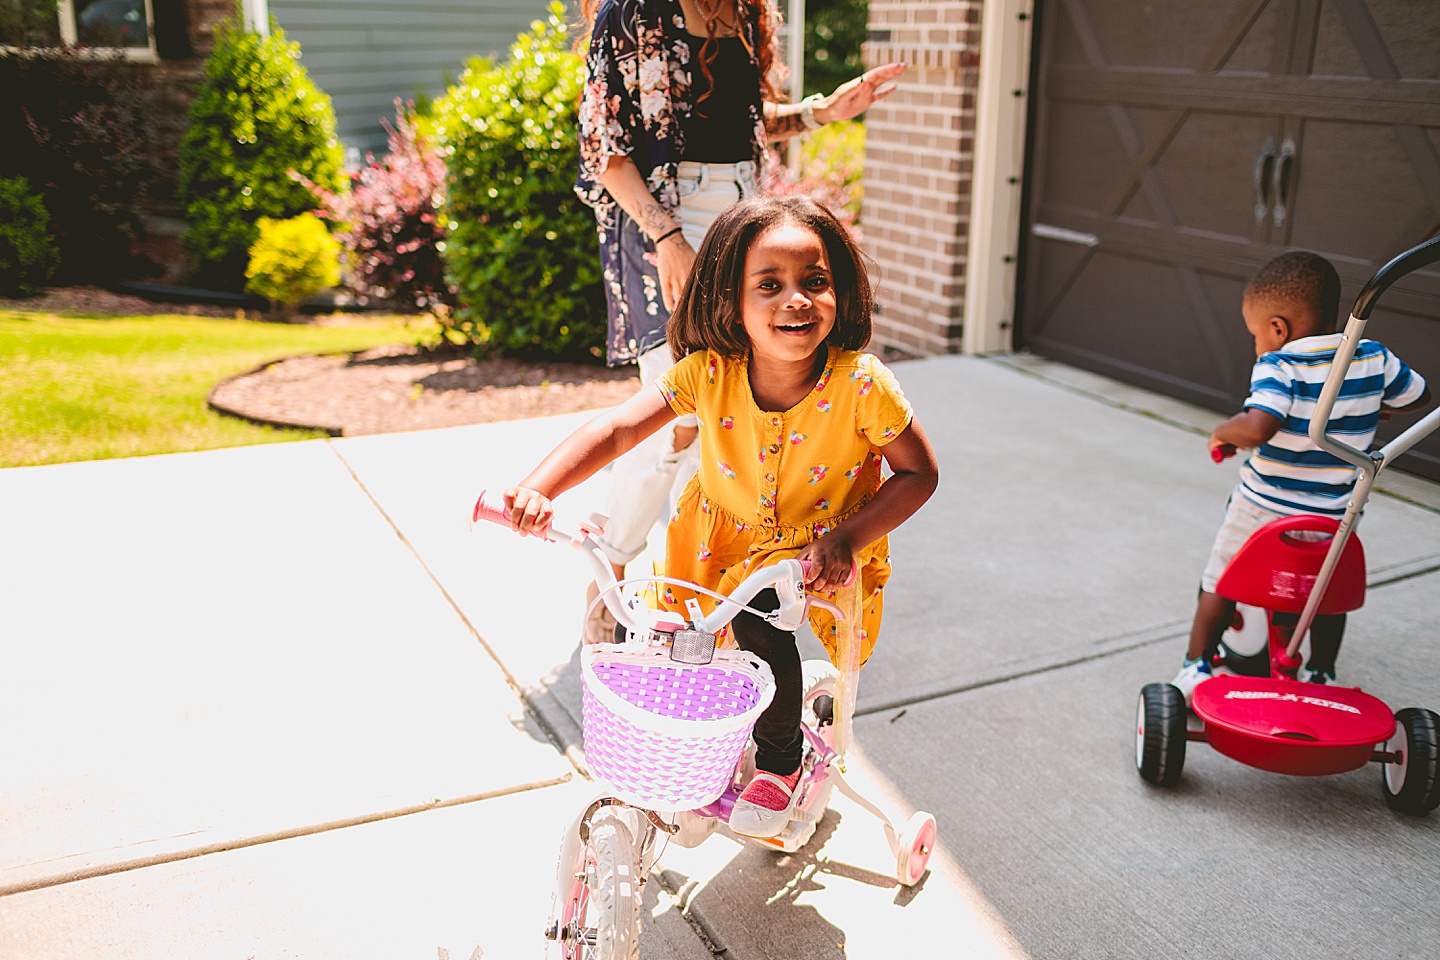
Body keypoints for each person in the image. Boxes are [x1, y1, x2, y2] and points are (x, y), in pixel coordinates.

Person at [500, 195, 939, 837]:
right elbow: (621, 429)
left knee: (763, 638)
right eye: (770, 285)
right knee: (674, 642)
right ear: (731, 304)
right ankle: (700, 752)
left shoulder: (860, 386)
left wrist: (849, 537)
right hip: (713, 537)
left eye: (815, 282)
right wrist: (537, 487)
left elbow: (919, 472)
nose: (797, 300)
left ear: (838, 293)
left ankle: (782, 763)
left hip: (811, 548)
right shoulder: (709, 374)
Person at [574, 0, 906, 641]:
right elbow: (603, 145)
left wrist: (820, 112)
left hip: (741, 218)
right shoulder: (633, 11)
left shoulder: (750, 12)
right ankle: (612, 573)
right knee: (678, 416)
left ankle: (704, 603)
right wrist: (666, 235)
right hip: (662, 218)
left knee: (730, 419)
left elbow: (742, 126)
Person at [1171, 251, 1430, 701]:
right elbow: (1419, 396)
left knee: (1221, 578)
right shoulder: (1372, 357)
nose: (1256, 345)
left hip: (1264, 508)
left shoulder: (1280, 364)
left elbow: (1258, 427)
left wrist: (1222, 430)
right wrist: (1372, 404)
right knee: (1326, 593)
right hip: (1332, 514)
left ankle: (1194, 669)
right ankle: (1321, 674)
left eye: (1255, 335)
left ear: (1277, 328)